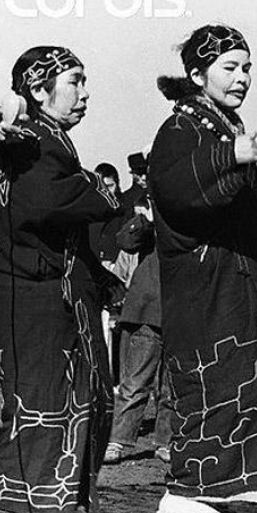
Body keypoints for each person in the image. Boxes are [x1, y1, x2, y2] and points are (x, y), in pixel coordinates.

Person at [149, 24, 257, 513]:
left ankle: (223, 487)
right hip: (202, 284)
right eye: (230, 67)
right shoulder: (180, 129)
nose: (242, 78)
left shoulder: (219, 125)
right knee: (211, 381)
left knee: (245, 378)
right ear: (196, 73)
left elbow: (233, 206)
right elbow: (175, 189)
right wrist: (227, 157)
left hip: (234, 277)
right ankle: (185, 493)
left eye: (247, 67)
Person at [0, 46, 123, 513]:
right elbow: (46, 201)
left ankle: (56, 505)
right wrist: (99, 191)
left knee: (76, 396)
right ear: (37, 89)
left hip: (56, 294)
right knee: (36, 400)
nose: (84, 92)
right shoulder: (30, 141)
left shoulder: (49, 141)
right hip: (33, 295)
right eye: (74, 80)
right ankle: (9, 511)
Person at [104, 197, 173, 465]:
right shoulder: (148, 222)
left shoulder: (190, 220)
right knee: (135, 381)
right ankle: (117, 440)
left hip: (180, 313)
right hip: (148, 313)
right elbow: (125, 241)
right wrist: (146, 220)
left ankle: (165, 441)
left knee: (171, 387)